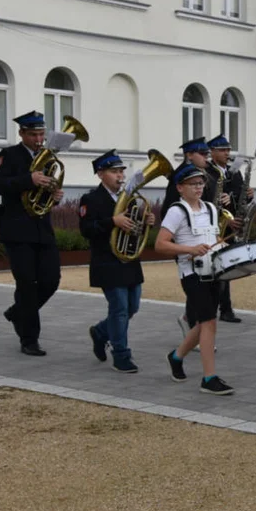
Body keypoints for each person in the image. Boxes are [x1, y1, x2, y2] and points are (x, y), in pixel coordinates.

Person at [155, 164, 234, 395]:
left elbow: (213, 235)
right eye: (193, 184)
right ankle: (209, 378)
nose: (198, 187)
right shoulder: (176, 211)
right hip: (191, 274)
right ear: (180, 187)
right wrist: (189, 249)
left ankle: (176, 356)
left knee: (202, 324)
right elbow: (160, 244)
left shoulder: (210, 208)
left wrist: (223, 243)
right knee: (209, 322)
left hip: (213, 271)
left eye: (200, 183)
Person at [0, 111, 63, 356]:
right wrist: (28, 179)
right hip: (17, 229)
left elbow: (49, 188)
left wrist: (54, 195)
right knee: (27, 284)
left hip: (43, 228)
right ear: (22, 133)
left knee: (51, 280)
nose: (39, 139)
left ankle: (17, 312)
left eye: (42, 134)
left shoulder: (49, 158)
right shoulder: (10, 155)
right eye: (33, 134)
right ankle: (29, 338)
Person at [80, 150, 154, 374]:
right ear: (101, 174)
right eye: (114, 171)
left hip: (129, 260)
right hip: (107, 262)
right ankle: (121, 355)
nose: (120, 175)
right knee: (120, 308)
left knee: (133, 307)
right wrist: (113, 221)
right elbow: (86, 229)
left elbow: (136, 228)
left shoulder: (130, 197)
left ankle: (101, 332)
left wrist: (145, 219)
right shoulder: (90, 199)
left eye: (121, 171)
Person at [207, 134, 246, 323]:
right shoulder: (209, 172)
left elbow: (240, 193)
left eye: (228, 150)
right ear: (212, 152)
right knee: (217, 267)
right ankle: (219, 308)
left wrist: (242, 195)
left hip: (230, 223)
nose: (227, 153)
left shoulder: (233, 171)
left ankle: (225, 308)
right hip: (216, 224)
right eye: (222, 150)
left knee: (227, 266)